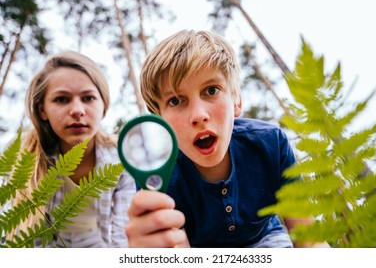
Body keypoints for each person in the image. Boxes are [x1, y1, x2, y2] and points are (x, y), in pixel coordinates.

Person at [126, 30, 329, 248]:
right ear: (160, 122)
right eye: (175, 101)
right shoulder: (157, 171)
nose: (199, 115)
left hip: (267, 240)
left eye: (211, 90)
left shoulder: (271, 143)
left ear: (237, 101)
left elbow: (309, 239)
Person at [8, 51, 136, 247]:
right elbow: (21, 235)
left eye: (88, 98)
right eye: (62, 99)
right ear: (42, 110)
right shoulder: (24, 157)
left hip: (100, 244)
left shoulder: (123, 158)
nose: (77, 110)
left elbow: (122, 237)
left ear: (103, 106)